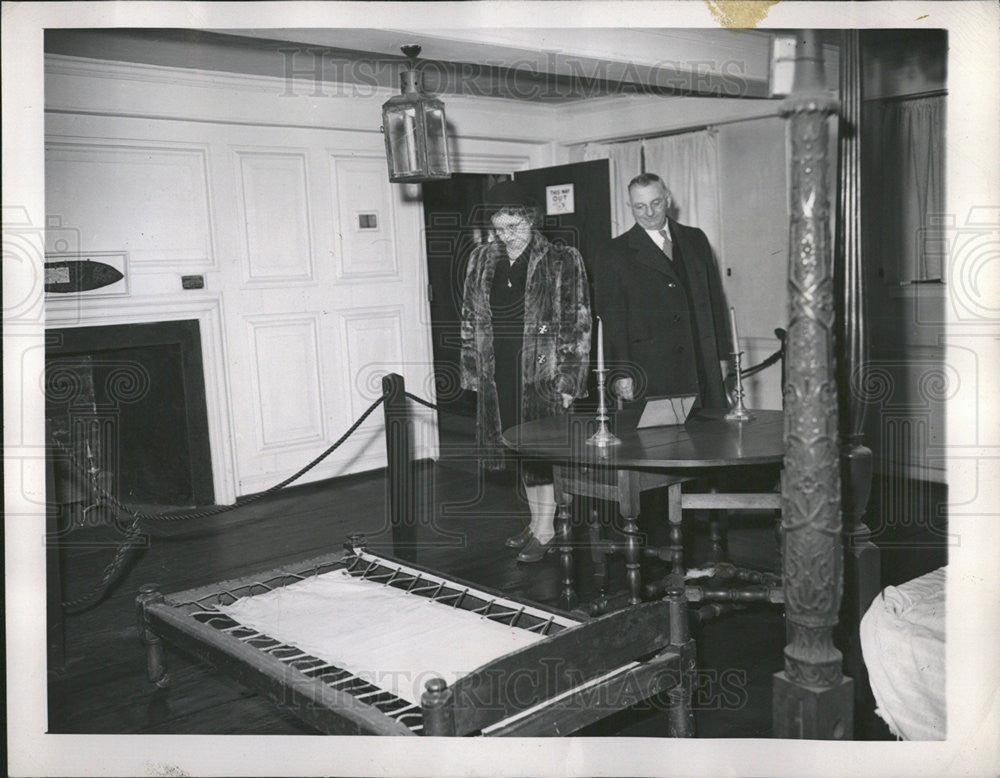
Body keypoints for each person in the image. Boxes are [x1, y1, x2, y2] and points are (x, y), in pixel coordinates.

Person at [459, 181, 592, 562]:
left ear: (532, 221)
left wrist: (569, 379)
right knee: (517, 447)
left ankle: (548, 530)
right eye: (500, 228)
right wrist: (471, 369)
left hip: (541, 371)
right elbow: (470, 317)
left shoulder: (563, 258)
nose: (506, 235)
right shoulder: (482, 258)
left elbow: (577, 321)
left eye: (514, 226)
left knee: (541, 452)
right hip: (497, 367)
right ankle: (536, 523)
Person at [593, 173, 732, 408]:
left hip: (701, 368)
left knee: (710, 440)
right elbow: (611, 320)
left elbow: (715, 301)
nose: (649, 213)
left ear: (668, 198)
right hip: (650, 373)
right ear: (630, 206)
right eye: (640, 206)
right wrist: (621, 372)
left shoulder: (696, 239)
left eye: (655, 203)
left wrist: (721, 355)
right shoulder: (613, 252)